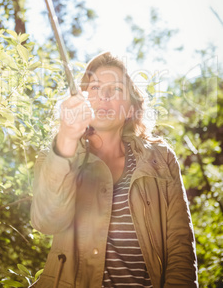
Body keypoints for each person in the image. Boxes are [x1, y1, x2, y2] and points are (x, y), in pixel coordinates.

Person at [30, 51, 199, 288]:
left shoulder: (161, 159)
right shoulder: (59, 155)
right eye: (95, 87)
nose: (104, 96)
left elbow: (180, 247)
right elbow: (46, 222)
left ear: (131, 108)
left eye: (116, 89)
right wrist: (66, 137)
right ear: (83, 100)